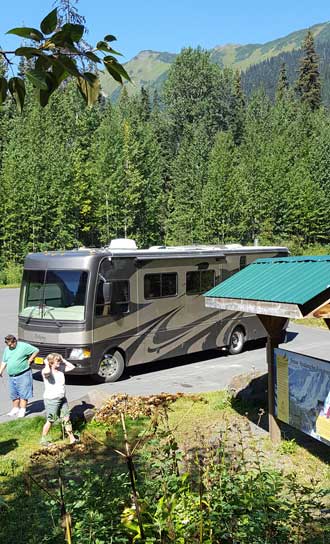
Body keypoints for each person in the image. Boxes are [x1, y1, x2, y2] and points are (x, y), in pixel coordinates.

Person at [40, 352, 77, 446]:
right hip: (52, 400)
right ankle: (43, 440)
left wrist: (63, 359)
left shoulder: (60, 369)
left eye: (59, 360)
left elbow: (72, 367)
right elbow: (47, 372)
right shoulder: (46, 371)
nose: (59, 362)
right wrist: (46, 364)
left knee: (66, 417)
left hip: (62, 399)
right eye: (57, 361)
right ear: (51, 362)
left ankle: (72, 438)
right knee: (51, 420)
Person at [0, 334, 39, 418]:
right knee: (14, 394)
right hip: (12, 376)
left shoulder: (23, 346)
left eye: (10, 344)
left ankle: (22, 410)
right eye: (7, 344)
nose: (9, 346)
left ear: (15, 342)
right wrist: (0, 371)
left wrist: (30, 359)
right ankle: (15, 408)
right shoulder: (7, 349)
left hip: (23, 374)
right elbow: (4, 361)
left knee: (23, 393)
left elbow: (36, 350)